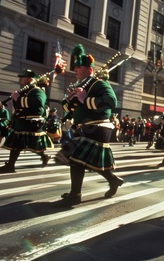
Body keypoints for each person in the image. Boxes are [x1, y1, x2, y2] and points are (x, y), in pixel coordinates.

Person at [53, 44, 123, 207]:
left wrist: (86, 99)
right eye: (75, 66)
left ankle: (75, 195)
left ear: (89, 69)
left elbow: (111, 102)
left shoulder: (99, 84)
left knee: (77, 159)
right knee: (87, 160)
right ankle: (113, 180)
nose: (75, 69)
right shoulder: (81, 86)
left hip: (98, 127)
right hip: (84, 128)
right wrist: (69, 102)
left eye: (79, 66)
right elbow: (72, 110)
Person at [0, 69, 53, 173]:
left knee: (31, 144)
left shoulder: (38, 90)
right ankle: (11, 165)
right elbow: (19, 107)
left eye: (23, 77)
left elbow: (38, 102)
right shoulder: (25, 91)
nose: (20, 79)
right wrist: (15, 99)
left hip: (30, 123)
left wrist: (18, 98)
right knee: (17, 145)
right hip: (21, 122)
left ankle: (43, 156)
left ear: (30, 79)